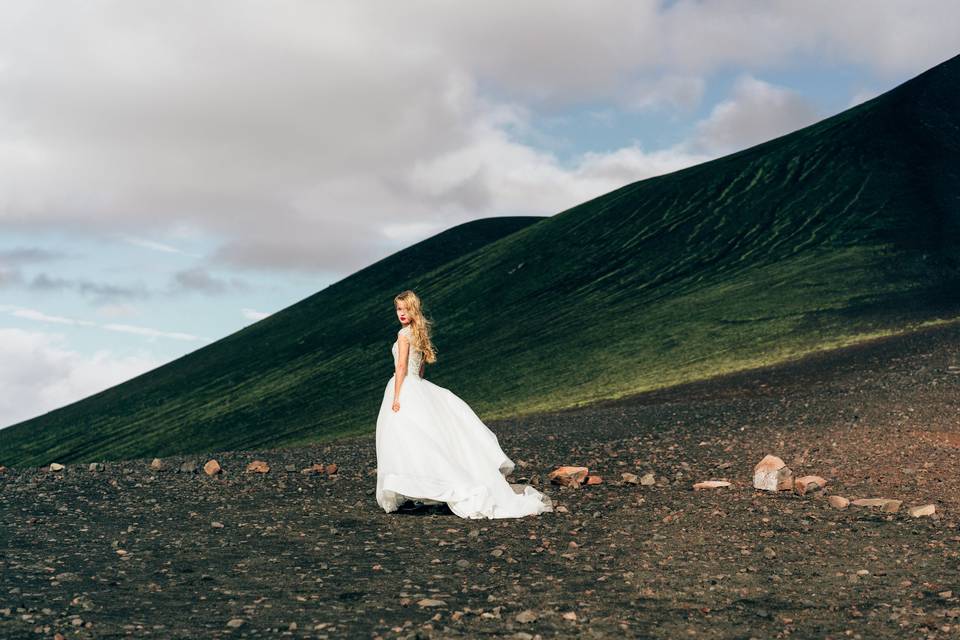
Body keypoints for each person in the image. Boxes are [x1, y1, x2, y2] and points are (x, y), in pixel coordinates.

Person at [375, 290, 553, 518]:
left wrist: (397, 397)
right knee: (427, 440)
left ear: (413, 310)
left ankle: (417, 487)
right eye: (398, 309)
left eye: (405, 308)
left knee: (407, 440)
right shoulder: (419, 333)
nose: (401, 313)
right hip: (418, 386)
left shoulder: (403, 335)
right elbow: (420, 369)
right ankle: (422, 488)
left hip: (405, 387)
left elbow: (401, 368)